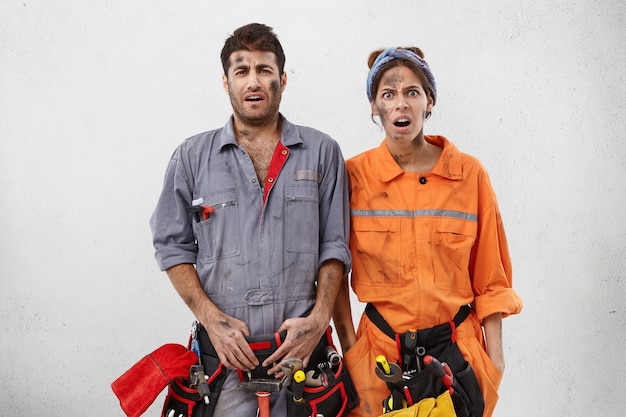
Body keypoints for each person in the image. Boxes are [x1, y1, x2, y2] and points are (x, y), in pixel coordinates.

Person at [150, 23, 351, 417]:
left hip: (302, 362)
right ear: (226, 82)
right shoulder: (191, 158)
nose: (253, 80)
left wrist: (318, 319)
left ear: (282, 80)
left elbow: (335, 246)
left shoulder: (322, 152)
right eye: (241, 71)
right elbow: (171, 246)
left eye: (264, 69)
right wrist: (211, 321)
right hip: (225, 365)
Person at [332, 47, 523, 417]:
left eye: (412, 93)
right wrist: (351, 351)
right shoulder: (353, 177)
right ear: (374, 106)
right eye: (388, 94)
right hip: (379, 360)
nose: (400, 104)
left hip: (457, 356)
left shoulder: (469, 175)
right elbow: (334, 272)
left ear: (429, 101)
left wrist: (494, 361)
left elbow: (491, 276)